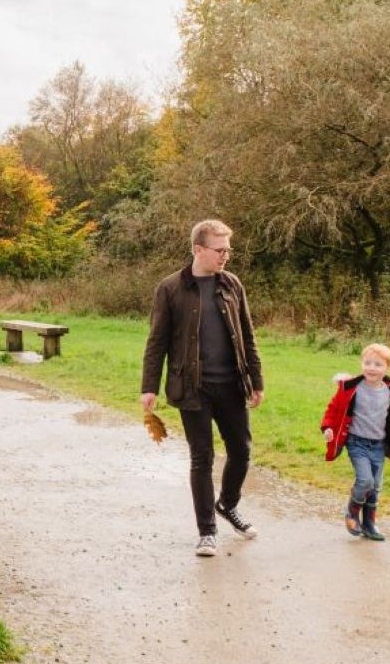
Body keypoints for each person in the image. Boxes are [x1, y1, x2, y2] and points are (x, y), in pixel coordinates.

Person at [140, 219, 265, 557]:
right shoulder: (170, 288)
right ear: (198, 249)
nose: (226, 255)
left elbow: (247, 336)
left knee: (241, 450)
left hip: (232, 385)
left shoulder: (232, 284)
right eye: (220, 249)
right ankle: (207, 531)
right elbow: (157, 342)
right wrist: (149, 385)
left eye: (228, 249)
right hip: (192, 387)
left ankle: (228, 504)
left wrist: (256, 380)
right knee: (202, 457)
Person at [320, 343, 390, 541]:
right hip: (356, 443)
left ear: (388, 368)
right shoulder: (350, 389)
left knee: (375, 486)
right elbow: (333, 409)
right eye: (367, 363)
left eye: (378, 364)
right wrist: (328, 428)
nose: (371, 368)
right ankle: (352, 512)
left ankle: (370, 524)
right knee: (366, 481)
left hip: (378, 445)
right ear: (361, 364)